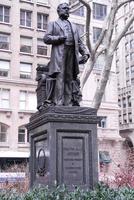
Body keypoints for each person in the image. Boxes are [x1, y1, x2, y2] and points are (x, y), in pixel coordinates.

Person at [43, 3, 89, 106]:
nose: (67, 10)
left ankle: (68, 103)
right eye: (64, 9)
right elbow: (46, 38)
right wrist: (59, 38)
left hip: (72, 54)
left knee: (70, 78)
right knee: (60, 77)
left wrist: (85, 53)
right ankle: (59, 103)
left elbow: (79, 42)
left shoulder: (74, 26)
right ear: (59, 11)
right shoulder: (53, 24)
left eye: (68, 9)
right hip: (60, 54)